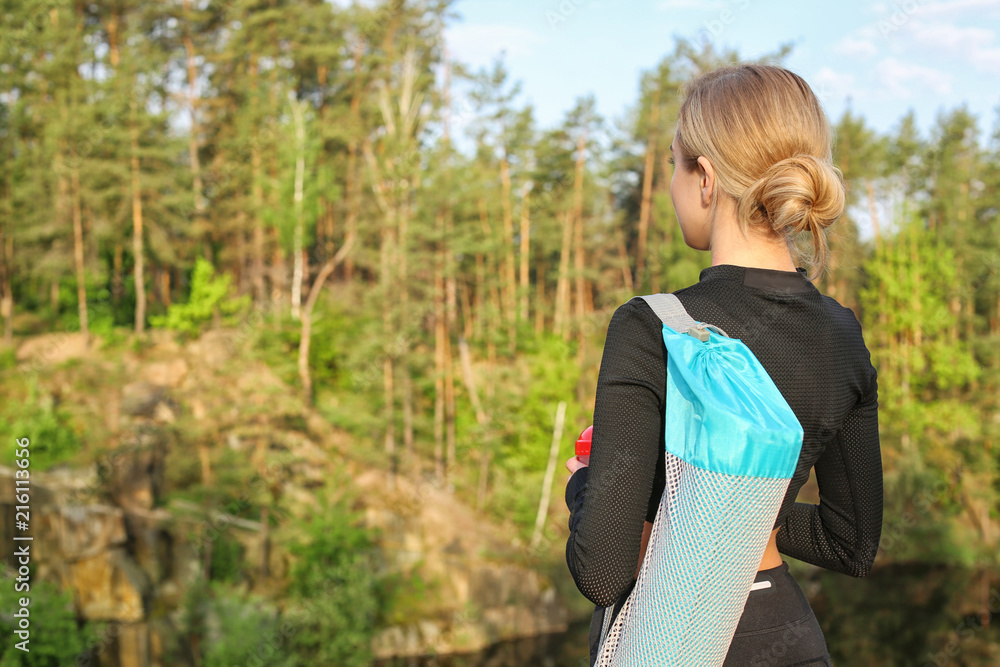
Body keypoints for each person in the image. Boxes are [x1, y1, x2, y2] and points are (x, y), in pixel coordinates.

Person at [564, 63, 882, 667]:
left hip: (676, 634)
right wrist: (748, 507)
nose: (670, 187)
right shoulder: (842, 333)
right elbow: (852, 543)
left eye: (673, 167)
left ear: (705, 179)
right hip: (788, 635)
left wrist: (582, 487)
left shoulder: (652, 325)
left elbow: (602, 573)